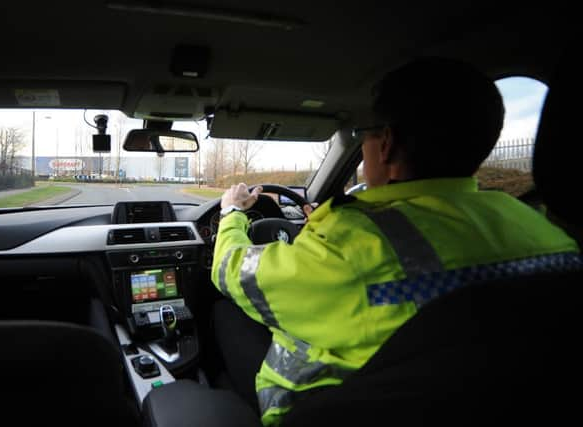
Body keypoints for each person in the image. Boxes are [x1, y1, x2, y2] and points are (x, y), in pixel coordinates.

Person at [210, 57, 580, 426]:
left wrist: (231, 214)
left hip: (325, 407)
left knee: (224, 312)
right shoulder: (546, 232)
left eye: (363, 135)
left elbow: (230, 270)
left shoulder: (351, 244)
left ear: (385, 144)